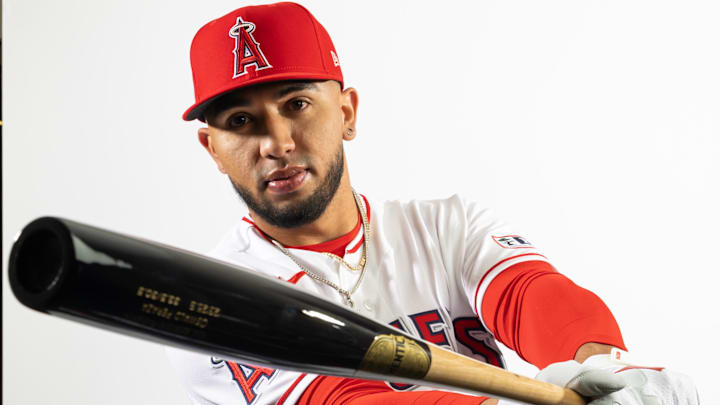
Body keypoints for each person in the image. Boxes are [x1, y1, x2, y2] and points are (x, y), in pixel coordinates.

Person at [166, 2, 698, 404]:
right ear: (212, 148)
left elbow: (530, 294)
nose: (276, 142)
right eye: (240, 121)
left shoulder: (444, 226)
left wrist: (599, 363)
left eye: (297, 104)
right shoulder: (211, 304)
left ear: (348, 112)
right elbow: (338, 398)